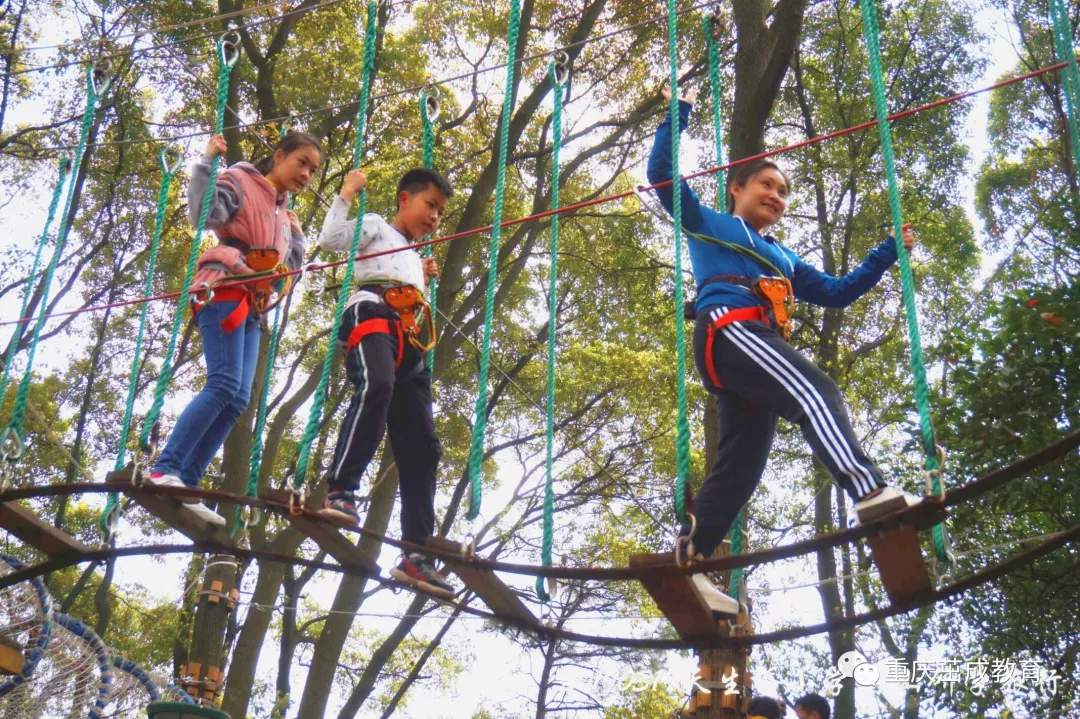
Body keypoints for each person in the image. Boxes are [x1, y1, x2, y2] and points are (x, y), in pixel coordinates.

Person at [646, 85, 919, 615]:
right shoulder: (711, 224)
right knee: (815, 392)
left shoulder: (784, 258)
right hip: (732, 328)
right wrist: (677, 113)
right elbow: (662, 175)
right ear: (737, 188)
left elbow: (839, 292)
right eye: (766, 184)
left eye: (783, 190)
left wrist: (888, 252)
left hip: (746, 351)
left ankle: (690, 559)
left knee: (741, 467)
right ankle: (868, 490)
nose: (776, 194)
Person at [148, 131, 321, 526]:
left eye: (313, 170)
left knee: (239, 398)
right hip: (224, 287)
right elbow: (202, 214)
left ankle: (186, 480)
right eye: (302, 163)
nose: (307, 174)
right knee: (224, 383)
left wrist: (295, 234)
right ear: (279, 156)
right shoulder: (241, 179)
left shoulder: (282, 212)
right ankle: (166, 468)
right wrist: (207, 163)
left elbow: (288, 270)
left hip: (255, 302)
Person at [318, 167, 455, 598]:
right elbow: (330, 240)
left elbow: (409, 281)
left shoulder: (415, 255)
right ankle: (341, 489)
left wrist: (420, 276)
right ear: (403, 199)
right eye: (429, 205)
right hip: (372, 314)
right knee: (376, 388)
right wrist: (345, 195)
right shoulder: (376, 226)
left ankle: (417, 554)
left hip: (410, 338)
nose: (435, 216)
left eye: (440, 211)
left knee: (424, 446)